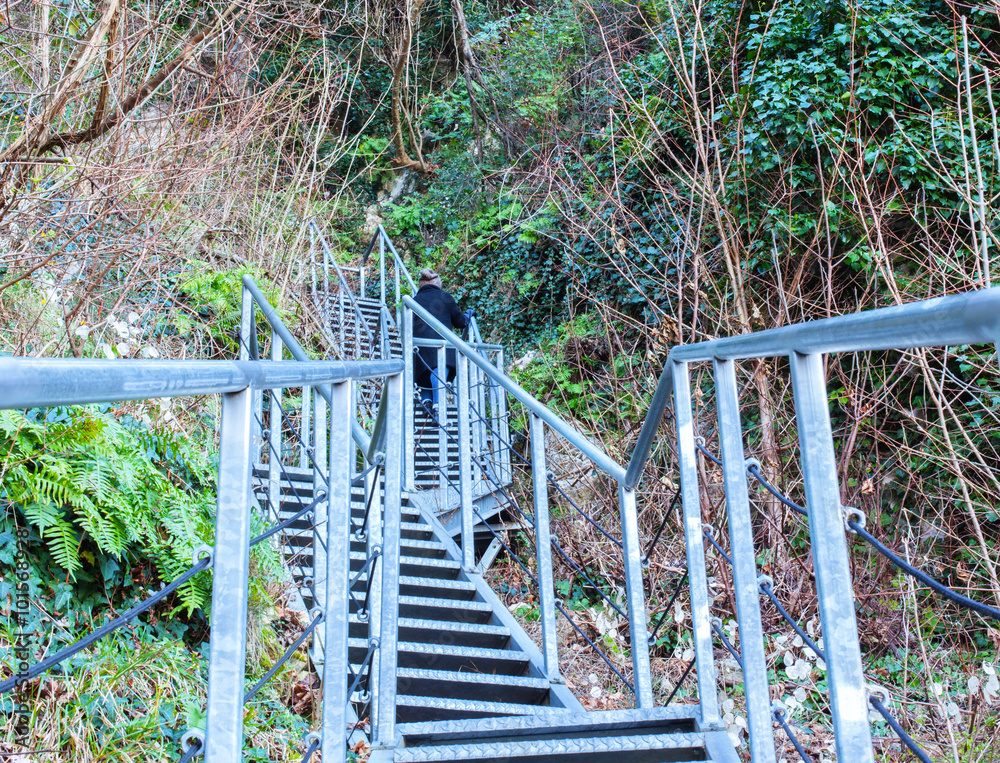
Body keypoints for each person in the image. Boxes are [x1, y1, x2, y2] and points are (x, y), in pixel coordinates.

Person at [411, 268, 471, 410]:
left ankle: (427, 403)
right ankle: (438, 407)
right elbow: (461, 322)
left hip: (419, 349)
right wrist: (468, 315)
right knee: (438, 372)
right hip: (441, 347)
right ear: (438, 284)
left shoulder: (414, 301)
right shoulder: (445, 298)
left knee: (423, 376)